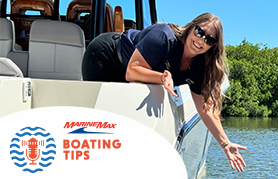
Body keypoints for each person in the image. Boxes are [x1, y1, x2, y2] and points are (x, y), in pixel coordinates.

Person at [82, 13, 247, 172]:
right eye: (199, 32)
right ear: (191, 27)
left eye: (209, 39)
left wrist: (225, 143)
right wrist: (161, 77)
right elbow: (132, 71)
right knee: (102, 119)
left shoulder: (199, 66)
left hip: (132, 72)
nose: (201, 40)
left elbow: (205, 109)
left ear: (212, 46)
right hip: (105, 57)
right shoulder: (163, 37)